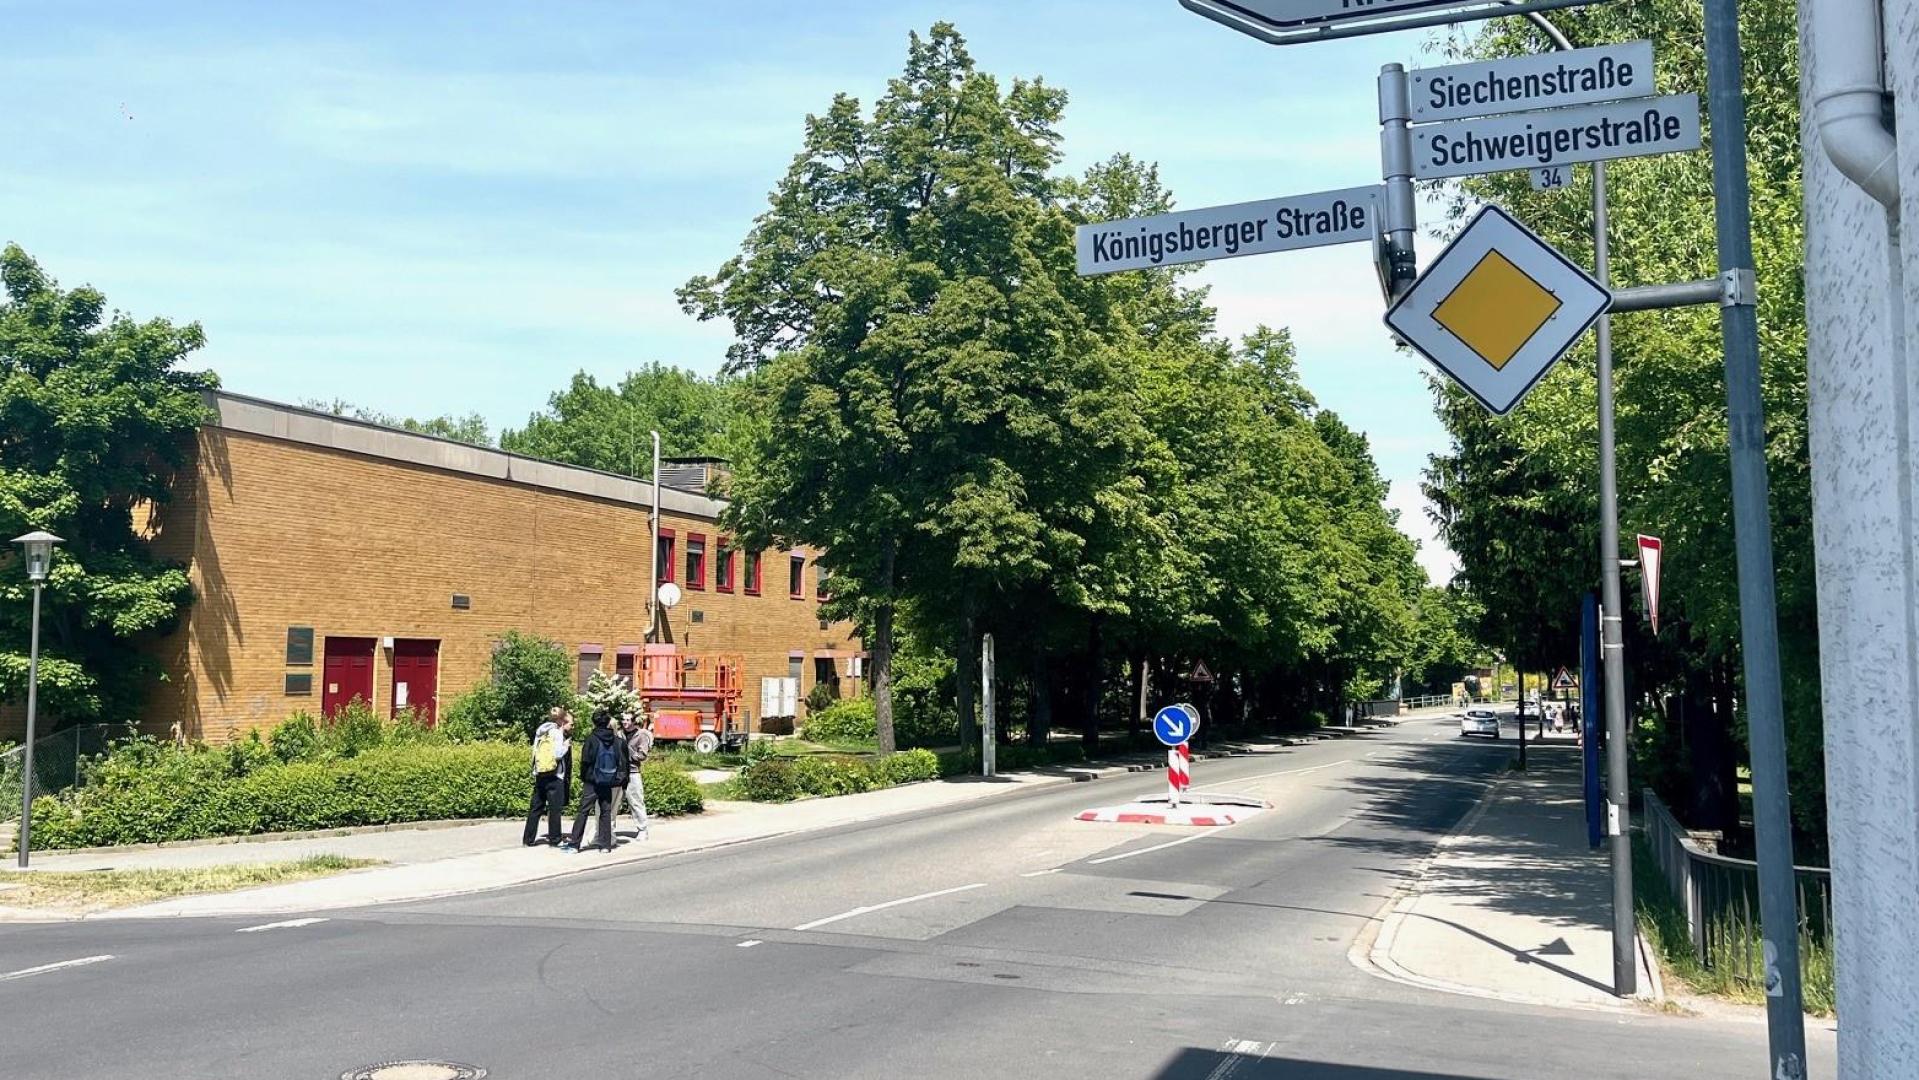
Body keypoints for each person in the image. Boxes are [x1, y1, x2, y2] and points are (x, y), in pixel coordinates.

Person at [561, 712, 630, 853]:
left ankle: (574, 844)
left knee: (583, 811)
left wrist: (584, 778)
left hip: (592, 780)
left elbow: (585, 761)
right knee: (606, 812)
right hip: (608, 780)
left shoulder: (591, 739)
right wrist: (623, 781)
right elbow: (624, 762)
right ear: (608, 722)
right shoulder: (618, 741)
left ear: (594, 722)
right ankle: (605, 845)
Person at [522, 707, 573, 847]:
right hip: (555, 775)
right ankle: (555, 839)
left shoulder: (540, 732)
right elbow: (557, 754)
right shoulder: (557, 733)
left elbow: (534, 752)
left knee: (535, 808)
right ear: (561, 720)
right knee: (554, 809)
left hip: (540, 773)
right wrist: (566, 746)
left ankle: (528, 839)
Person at [611, 713, 653, 840]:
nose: (625, 722)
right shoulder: (619, 734)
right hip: (619, 772)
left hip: (633, 772)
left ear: (634, 722)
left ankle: (642, 829)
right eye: (623, 720)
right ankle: (610, 830)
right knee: (613, 803)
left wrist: (629, 753)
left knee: (636, 801)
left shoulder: (641, 735)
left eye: (628, 720)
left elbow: (643, 755)